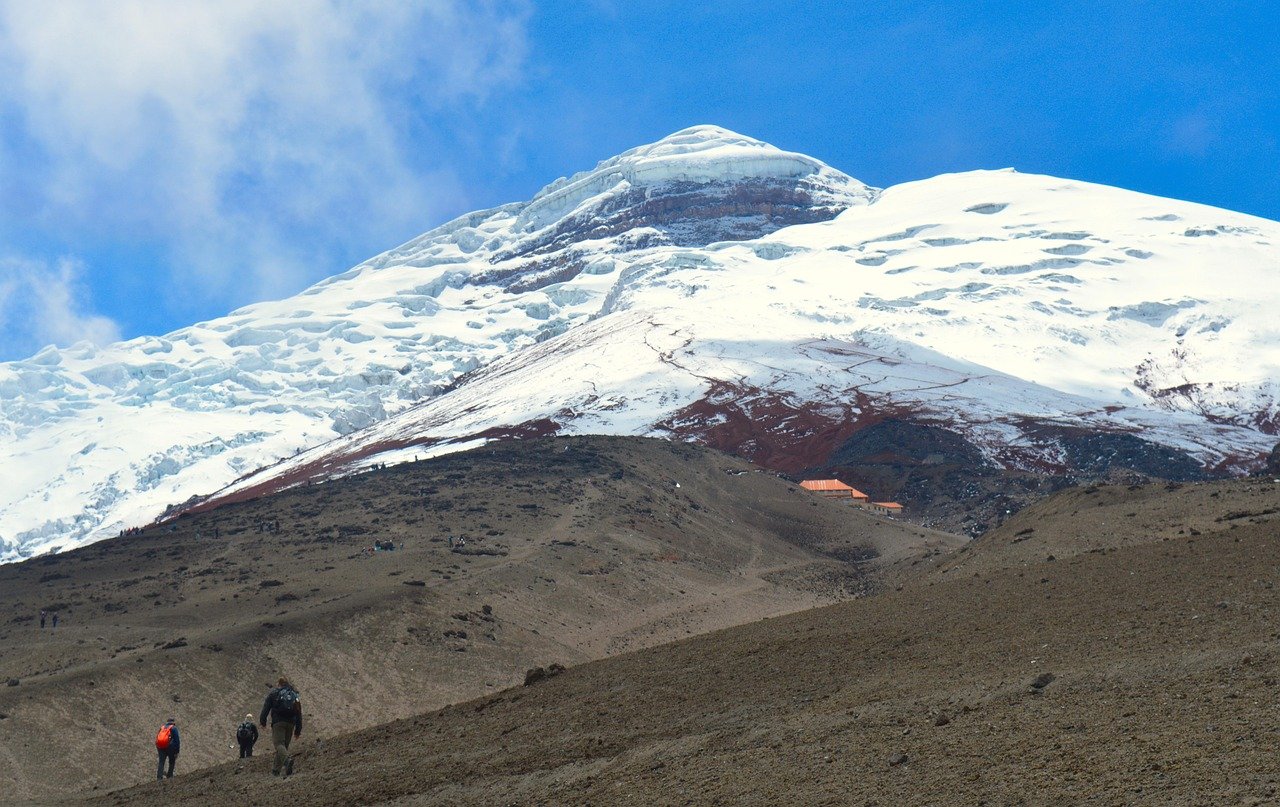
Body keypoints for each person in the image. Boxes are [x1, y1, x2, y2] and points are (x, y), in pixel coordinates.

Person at [259, 677, 303, 777]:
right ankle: (276, 771)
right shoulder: (294, 695)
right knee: (284, 747)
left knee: (279, 744)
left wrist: (263, 722)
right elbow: (299, 712)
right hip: (291, 723)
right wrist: (298, 730)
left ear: (279, 684)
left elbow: (266, 707)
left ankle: (287, 761)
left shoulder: (274, 693)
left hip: (278, 722)